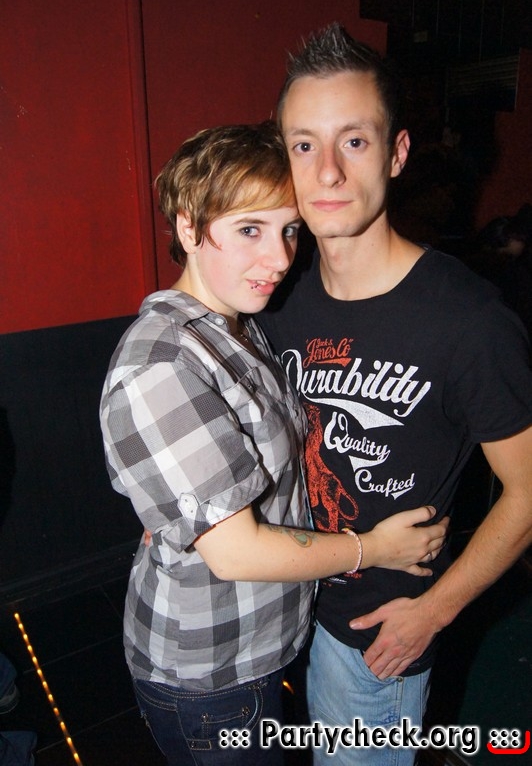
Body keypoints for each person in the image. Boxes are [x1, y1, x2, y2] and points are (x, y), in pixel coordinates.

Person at [99, 121, 447, 766]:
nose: (282, 258)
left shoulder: (235, 325)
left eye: (289, 230)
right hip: (209, 673)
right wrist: (375, 548)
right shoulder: (163, 363)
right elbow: (237, 552)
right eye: (249, 230)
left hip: (256, 644)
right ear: (187, 228)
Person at [259, 23, 532, 764]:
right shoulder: (276, 296)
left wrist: (434, 612)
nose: (327, 172)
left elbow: (527, 491)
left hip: (374, 638)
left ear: (398, 153)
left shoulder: (468, 320)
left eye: (354, 141)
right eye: (304, 145)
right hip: (288, 601)